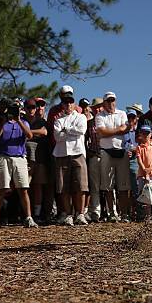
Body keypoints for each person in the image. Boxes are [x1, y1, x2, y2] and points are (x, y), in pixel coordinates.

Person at [0, 99, 37, 230]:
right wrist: (4, 121)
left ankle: (28, 217)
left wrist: (19, 120)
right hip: (4, 157)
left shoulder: (24, 122)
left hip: (20, 157)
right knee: (1, 189)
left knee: (23, 189)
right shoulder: (1, 123)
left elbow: (30, 135)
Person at [53, 91, 89, 226]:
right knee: (63, 187)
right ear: (62, 105)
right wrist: (71, 131)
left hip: (78, 153)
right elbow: (57, 137)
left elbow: (81, 131)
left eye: (71, 102)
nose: (68, 104)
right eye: (66, 102)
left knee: (80, 185)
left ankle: (80, 214)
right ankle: (68, 214)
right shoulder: (58, 120)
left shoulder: (81, 117)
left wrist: (66, 130)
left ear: (74, 104)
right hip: (62, 154)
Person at [95, 92, 131, 222]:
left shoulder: (122, 113)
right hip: (106, 151)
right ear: (104, 103)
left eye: (112, 100)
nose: (111, 103)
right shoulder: (99, 115)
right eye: (108, 101)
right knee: (107, 185)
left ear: (115, 101)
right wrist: (118, 130)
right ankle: (111, 213)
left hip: (121, 150)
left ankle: (124, 214)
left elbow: (127, 128)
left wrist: (109, 132)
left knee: (123, 185)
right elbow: (101, 132)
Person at [24, 98, 49, 222]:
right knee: (25, 185)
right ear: (24, 109)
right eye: (28, 107)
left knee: (38, 185)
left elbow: (44, 132)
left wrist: (27, 132)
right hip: (24, 157)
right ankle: (26, 213)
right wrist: (33, 133)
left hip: (39, 157)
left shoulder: (41, 121)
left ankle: (37, 213)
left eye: (33, 107)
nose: (31, 110)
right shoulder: (21, 121)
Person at [85, 98, 103, 222]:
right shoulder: (89, 123)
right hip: (94, 155)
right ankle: (96, 212)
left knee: (109, 186)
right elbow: (84, 140)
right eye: (95, 107)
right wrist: (88, 152)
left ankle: (112, 211)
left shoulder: (107, 121)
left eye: (99, 106)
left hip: (107, 155)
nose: (97, 109)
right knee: (95, 186)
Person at [124, 103, 142, 220]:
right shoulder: (123, 130)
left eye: (133, 117)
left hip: (135, 160)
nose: (131, 120)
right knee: (124, 188)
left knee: (136, 187)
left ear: (136, 119)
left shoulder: (139, 132)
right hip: (123, 159)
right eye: (129, 117)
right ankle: (127, 212)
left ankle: (137, 213)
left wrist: (134, 149)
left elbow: (143, 145)